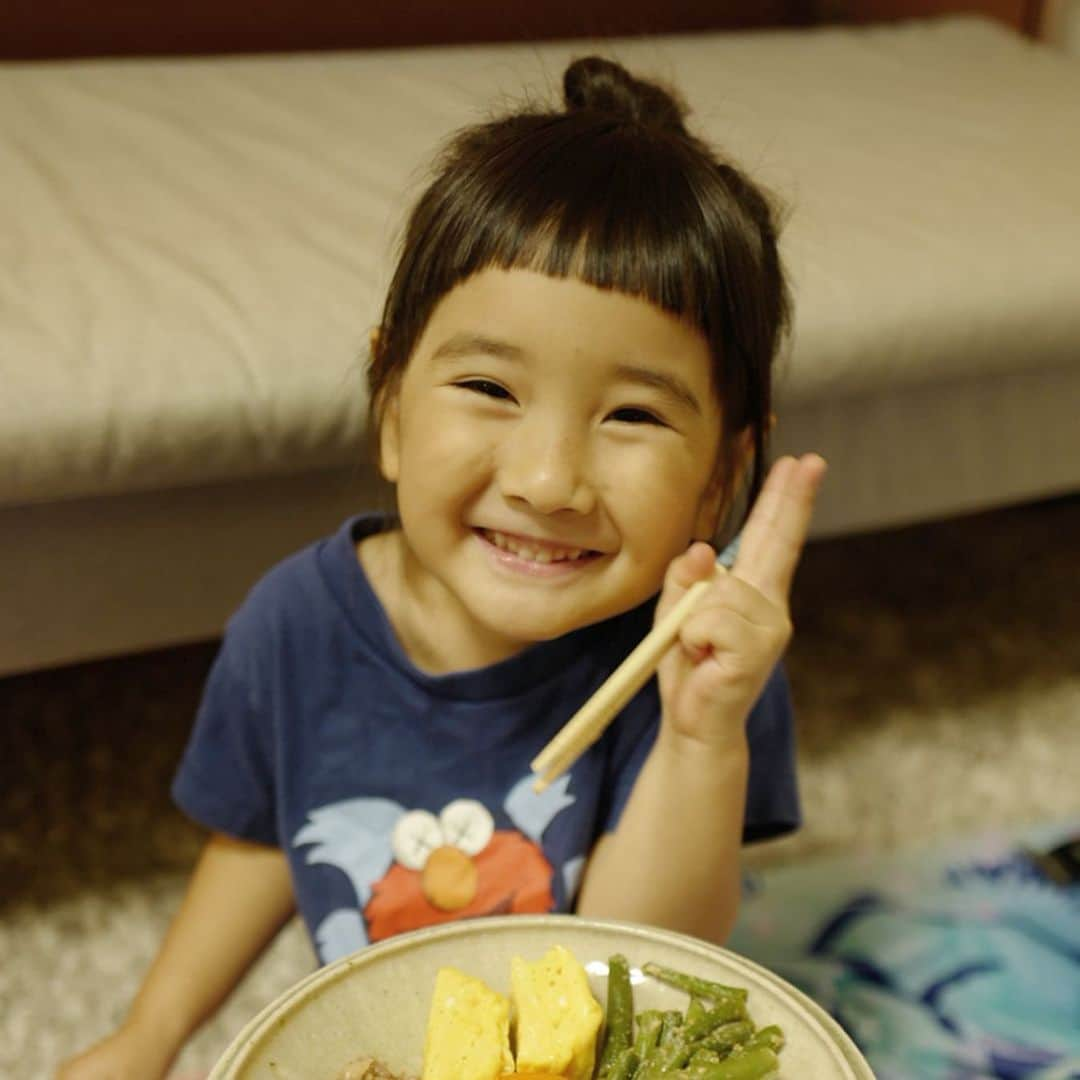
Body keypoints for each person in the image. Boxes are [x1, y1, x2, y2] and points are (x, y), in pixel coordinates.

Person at [58, 54, 825, 1079]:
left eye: (632, 415)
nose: (550, 480)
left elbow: (650, 966)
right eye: (489, 388)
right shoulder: (295, 626)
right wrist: (149, 1034)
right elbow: (259, 842)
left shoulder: (692, 666)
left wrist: (701, 735)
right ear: (391, 407)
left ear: (725, 472)